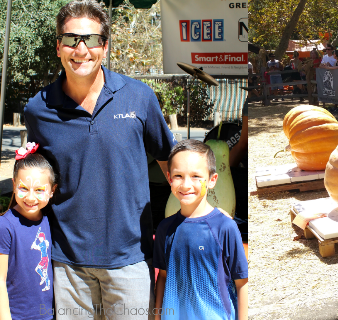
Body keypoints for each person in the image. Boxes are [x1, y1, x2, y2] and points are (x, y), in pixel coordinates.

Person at [23, 1, 177, 318]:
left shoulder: (139, 97)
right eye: (71, 39)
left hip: (131, 259)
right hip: (67, 264)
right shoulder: (38, 109)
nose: (81, 49)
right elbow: (37, 177)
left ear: (104, 47)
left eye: (91, 39)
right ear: (58, 47)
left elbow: (169, 161)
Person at [153, 140, 249, 320]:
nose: (186, 184)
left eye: (196, 176)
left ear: (212, 180)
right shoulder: (164, 229)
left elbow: (242, 282)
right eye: (178, 176)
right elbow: (163, 278)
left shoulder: (225, 228)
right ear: (169, 179)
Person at [0, 143, 57, 320]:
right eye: (24, 188)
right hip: (17, 316)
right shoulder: (5, 225)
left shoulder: (50, 220)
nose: (30, 197)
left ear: (52, 191)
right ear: (14, 185)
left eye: (39, 190)